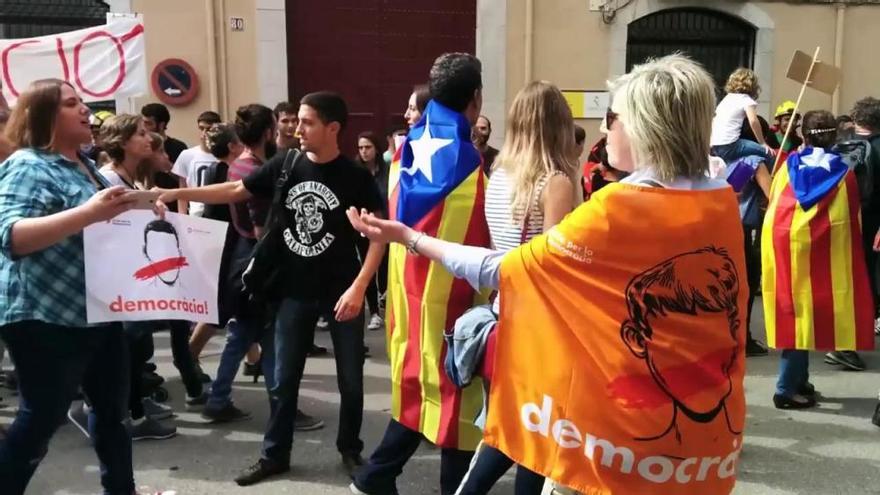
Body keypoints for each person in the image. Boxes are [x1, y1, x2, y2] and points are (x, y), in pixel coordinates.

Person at [348, 54, 748, 495]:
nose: (602, 129)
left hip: (614, 441)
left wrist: (409, 236)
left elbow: (505, 268)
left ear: (645, 126)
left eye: (611, 117)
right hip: (704, 446)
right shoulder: (720, 199)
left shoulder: (618, 207)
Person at [156, 91, 385, 485]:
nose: (298, 128)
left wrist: (360, 288)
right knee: (283, 379)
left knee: (351, 378)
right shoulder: (287, 163)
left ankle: (350, 449)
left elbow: (379, 234)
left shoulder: (355, 177)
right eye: (297, 120)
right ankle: (274, 454)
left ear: (333, 128)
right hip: (292, 290)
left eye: (308, 122)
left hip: (341, 292)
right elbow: (235, 191)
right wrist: (176, 193)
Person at [351, 52, 488, 495]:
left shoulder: (405, 149)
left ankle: (374, 479)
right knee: (460, 406)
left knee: (417, 395)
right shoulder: (470, 164)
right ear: (475, 99)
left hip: (407, 304)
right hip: (455, 308)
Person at [0, 79, 140, 495]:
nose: (85, 109)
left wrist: (145, 211)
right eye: (70, 103)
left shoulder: (85, 164)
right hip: (45, 315)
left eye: (82, 101)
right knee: (43, 417)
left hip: (98, 309)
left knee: (113, 413)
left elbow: (102, 225)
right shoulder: (28, 165)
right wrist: (89, 213)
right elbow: (12, 236)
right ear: (42, 115)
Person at [455, 80, 578, 495]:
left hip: (503, 309)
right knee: (534, 435)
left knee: (511, 427)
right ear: (559, 123)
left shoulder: (500, 173)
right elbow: (552, 264)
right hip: (540, 322)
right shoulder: (555, 181)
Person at [762, 110, 874, 409]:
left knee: (795, 311)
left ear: (804, 134)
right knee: (805, 315)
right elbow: (851, 219)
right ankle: (785, 389)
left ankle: (800, 380)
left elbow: (774, 204)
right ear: (834, 135)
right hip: (821, 251)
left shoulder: (787, 166)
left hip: (785, 246)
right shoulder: (844, 172)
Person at [827, 97, 880, 373]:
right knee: (867, 284)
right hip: (871, 226)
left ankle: (839, 342)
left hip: (839, 223)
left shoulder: (838, 145)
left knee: (844, 282)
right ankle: (846, 346)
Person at [355, 131, 390, 331]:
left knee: (384, 266)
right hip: (363, 227)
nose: (364, 152)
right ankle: (374, 311)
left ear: (376, 149)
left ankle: (385, 300)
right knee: (366, 267)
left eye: (368, 147)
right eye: (361, 148)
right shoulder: (356, 172)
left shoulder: (386, 171)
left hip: (384, 225)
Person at [710, 68, 774, 163]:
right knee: (769, 154)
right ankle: (770, 176)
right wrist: (762, 143)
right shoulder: (745, 99)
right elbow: (753, 121)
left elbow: (714, 120)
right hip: (730, 145)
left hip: (716, 146)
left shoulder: (727, 99)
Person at [171, 110, 222, 216]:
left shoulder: (224, 155)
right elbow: (182, 190)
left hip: (219, 211)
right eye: (201, 128)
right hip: (195, 213)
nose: (204, 133)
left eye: (208, 129)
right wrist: (182, 217)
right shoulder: (187, 155)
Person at [141, 103, 188, 213]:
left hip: (173, 204)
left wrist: (169, 168)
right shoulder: (141, 146)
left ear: (161, 125)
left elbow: (185, 181)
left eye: (148, 123)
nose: (145, 128)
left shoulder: (178, 147)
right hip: (148, 204)